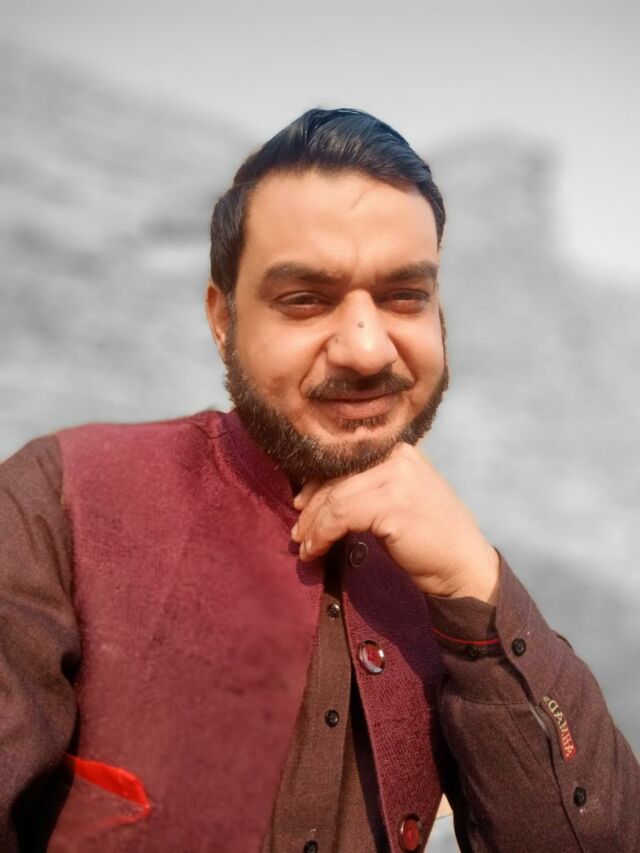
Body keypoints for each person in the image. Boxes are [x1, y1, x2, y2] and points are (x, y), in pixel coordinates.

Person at [0, 108, 638, 853]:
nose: (367, 349)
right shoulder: (59, 503)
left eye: (405, 296)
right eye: (305, 299)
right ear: (223, 319)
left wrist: (473, 582)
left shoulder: (447, 571)